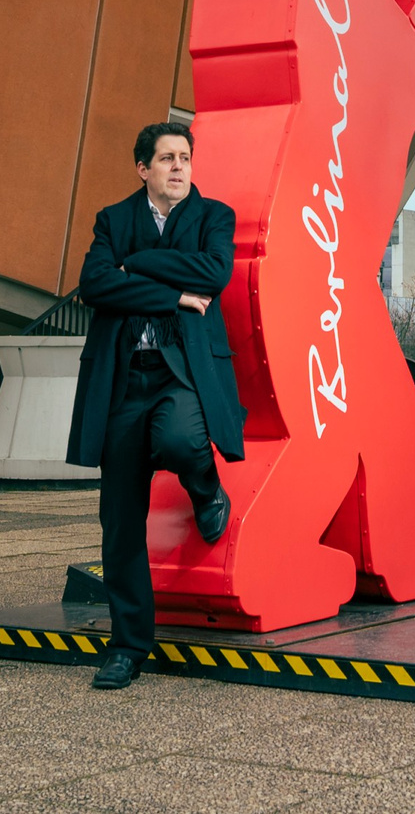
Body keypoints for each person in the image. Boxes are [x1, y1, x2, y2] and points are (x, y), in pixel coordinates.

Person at [64, 121, 246, 689]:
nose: (177, 167)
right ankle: (128, 646)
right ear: (142, 168)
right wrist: (171, 294)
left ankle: (207, 489)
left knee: (179, 439)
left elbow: (215, 272)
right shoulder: (113, 219)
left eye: (184, 158)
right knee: (119, 521)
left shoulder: (214, 216)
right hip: (123, 380)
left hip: (182, 372)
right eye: (166, 158)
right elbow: (95, 284)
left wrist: (134, 266)